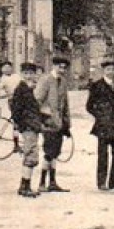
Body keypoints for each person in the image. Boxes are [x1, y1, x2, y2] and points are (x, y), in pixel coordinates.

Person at [86, 57, 114, 191]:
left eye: (113, 69)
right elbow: (89, 106)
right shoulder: (96, 86)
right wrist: (101, 116)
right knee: (103, 155)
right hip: (104, 126)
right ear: (103, 71)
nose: (111, 72)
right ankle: (101, 183)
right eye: (108, 69)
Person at [36, 56, 73, 193]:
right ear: (54, 66)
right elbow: (37, 100)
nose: (62, 70)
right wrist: (43, 118)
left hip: (59, 123)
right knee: (49, 152)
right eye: (59, 67)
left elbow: (65, 104)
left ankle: (52, 182)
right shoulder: (45, 80)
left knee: (55, 152)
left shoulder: (63, 81)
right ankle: (41, 182)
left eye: (64, 67)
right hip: (48, 122)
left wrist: (67, 124)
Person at [10, 61, 44, 198]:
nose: (29, 76)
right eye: (26, 73)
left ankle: (25, 185)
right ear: (22, 74)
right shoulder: (21, 89)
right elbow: (16, 111)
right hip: (28, 126)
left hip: (32, 126)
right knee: (30, 155)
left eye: (31, 73)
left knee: (31, 154)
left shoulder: (28, 88)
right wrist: (21, 125)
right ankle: (25, 187)